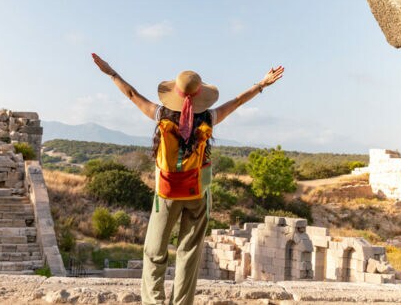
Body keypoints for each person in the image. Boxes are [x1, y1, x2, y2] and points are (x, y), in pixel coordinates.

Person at [90, 53, 284, 305]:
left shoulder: (162, 115)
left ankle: (154, 301)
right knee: (189, 252)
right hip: (197, 194)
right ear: (200, 95)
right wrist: (262, 84)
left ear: (175, 93)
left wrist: (112, 73)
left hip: (167, 193)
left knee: (154, 251)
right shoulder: (208, 119)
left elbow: (131, 94)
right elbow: (236, 102)